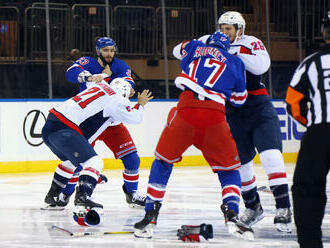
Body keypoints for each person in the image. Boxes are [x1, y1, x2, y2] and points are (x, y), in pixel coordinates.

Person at [133, 32, 254, 240]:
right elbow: (240, 100)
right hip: (215, 116)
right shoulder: (236, 61)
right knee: (229, 169)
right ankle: (232, 211)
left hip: (186, 111)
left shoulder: (196, 47)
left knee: (162, 161)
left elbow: (176, 50)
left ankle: (151, 213)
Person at [199, 11, 292, 232]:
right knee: (241, 164)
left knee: (271, 156)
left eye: (228, 29)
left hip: (258, 106)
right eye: (221, 28)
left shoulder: (252, 42)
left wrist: (229, 54)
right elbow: (177, 51)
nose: (224, 32)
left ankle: (284, 208)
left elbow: (261, 66)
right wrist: (208, 45)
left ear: (239, 30)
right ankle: (253, 207)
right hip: (231, 110)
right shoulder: (212, 42)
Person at [44, 37, 146, 209]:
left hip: (112, 121)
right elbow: (71, 72)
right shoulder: (88, 62)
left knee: (132, 159)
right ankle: (65, 195)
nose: (109, 53)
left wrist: (125, 89)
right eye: (105, 50)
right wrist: (91, 77)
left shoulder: (120, 65)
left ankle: (132, 194)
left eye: (112, 50)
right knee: (79, 161)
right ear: (98, 51)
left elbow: (127, 85)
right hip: (88, 121)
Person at [43, 78, 153, 214]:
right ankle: (83, 198)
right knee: (94, 162)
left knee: (70, 162)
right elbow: (135, 117)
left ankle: (53, 196)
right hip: (66, 128)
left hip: (50, 124)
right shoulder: (117, 100)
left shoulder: (101, 84)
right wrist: (140, 104)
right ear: (125, 92)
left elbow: (88, 79)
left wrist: (91, 76)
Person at [285, 11, 330, 248]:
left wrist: (312, 126)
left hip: (319, 133)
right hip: (319, 130)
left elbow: (293, 102)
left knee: (306, 190)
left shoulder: (312, 61)